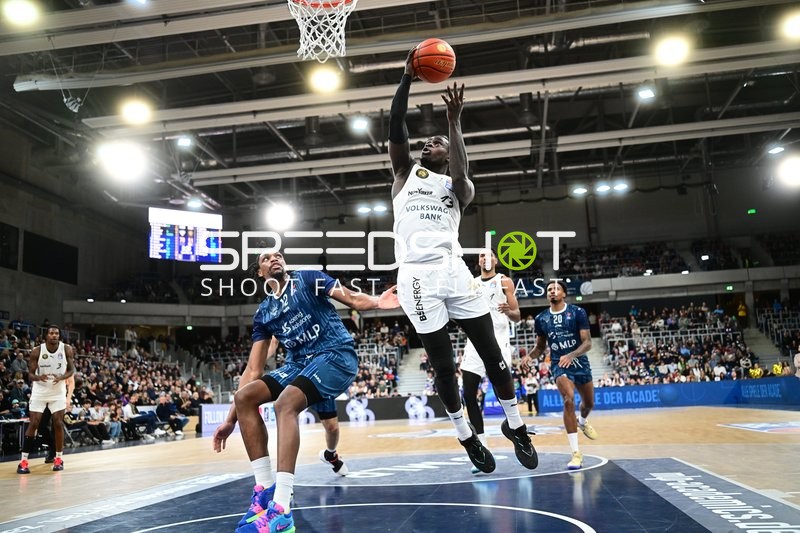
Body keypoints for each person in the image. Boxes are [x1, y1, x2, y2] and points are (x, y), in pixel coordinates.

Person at [388, 52, 537, 475]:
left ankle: (516, 425)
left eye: (438, 142)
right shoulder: (403, 176)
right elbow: (395, 126)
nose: (427, 144)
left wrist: (455, 123)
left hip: (455, 271)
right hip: (416, 277)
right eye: (427, 142)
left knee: (492, 353)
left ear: (450, 153)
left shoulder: (460, 188)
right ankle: (465, 435)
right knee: (442, 365)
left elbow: (462, 170)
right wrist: (405, 79)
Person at [225, 251, 399, 533]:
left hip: (335, 355)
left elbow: (353, 299)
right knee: (244, 397)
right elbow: (253, 370)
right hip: (298, 364)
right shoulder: (264, 313)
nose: (274, 258)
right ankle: (265, 490)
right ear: (260, 273)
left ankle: (281, 510)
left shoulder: (307, 278)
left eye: (278, 255)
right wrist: (230, 418)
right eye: (267, 258)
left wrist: (378, 301)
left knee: (285, 405)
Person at [521, 280, 597, 470]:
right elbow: (540, 347)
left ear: (564, 293)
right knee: (568, 400)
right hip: (559, 364)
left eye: (556, 289)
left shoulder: (577, 312)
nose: (552, 291)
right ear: (547, 295)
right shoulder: (541, 318)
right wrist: (529, 357)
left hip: (579, 361)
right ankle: (576, 453)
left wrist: (572, 355)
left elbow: (587, 343)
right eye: (549, 289)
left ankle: (582, 420)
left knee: (588, 404)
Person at [459, 248, 521, 473]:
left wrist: (508, 311)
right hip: (475, 343)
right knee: (468, 393)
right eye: (481, 256)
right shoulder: (472, 283)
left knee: (503, 392)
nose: (486, 258)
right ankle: (482, 447)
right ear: (478, 262)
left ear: (495, 259)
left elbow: (517, 315)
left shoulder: (504, 281)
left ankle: (516, 431)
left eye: (489, 255)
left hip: (498, 342)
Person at [17, 325, 74, 474]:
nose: (54, 335)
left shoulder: (66, 349)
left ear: (59, 336)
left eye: (56, 333)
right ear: (46, 336)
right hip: (40, 391)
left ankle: (58, 458)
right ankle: (23, 461)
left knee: (58, 422)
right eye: (51, 333)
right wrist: (38, 377)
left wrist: (62, 377)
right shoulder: (37, 351)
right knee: (34, 423)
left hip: (58, 392)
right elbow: (29, 374)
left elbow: (72, 369)